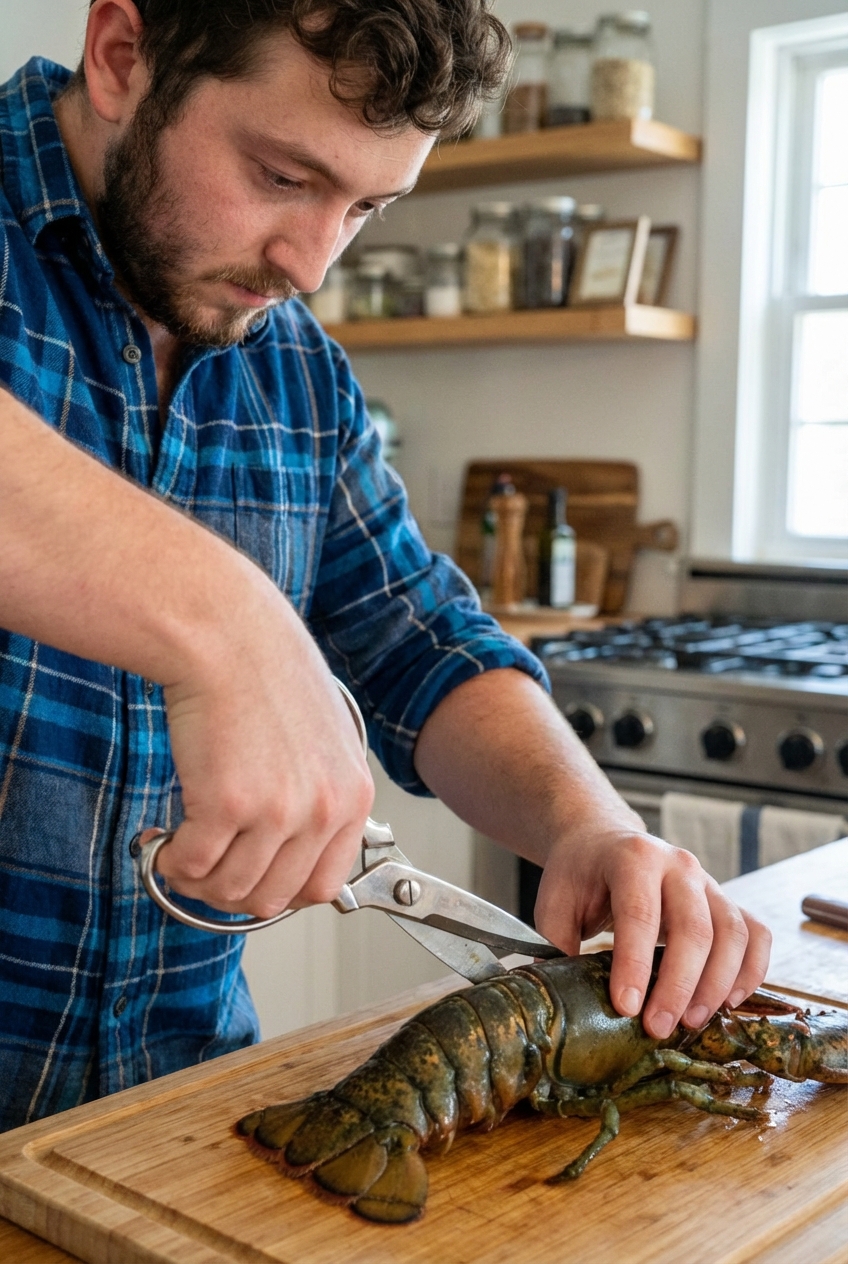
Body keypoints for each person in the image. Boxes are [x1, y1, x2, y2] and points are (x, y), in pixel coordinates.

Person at [0, 0, 770, 1133]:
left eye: (364, 206)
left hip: (162, 1133)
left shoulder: (296, 369)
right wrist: (230, 621)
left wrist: (588, 827)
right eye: (280, 176)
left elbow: (420, 640)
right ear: (122, 59)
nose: (310, 261)